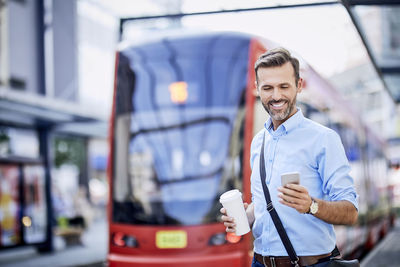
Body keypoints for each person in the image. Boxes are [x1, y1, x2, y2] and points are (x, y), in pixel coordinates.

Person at [220, 47, 358, 267]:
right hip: (259, 262)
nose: (276, 96)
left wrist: (311, 205)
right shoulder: (258, 142)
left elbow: (351, 212)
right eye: (268, 88)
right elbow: (264, 202)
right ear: (257, 89)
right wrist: (246, 215)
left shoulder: (323, 139)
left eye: (284, 86)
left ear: (299, 86)